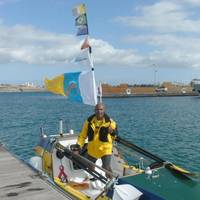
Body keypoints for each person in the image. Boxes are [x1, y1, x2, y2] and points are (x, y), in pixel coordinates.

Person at [76, 103, 117, 178]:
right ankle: (94, 177)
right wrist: (78, 145)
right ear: (94, 111)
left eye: (101, 109)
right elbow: (82, 135)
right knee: (90, 166)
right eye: (97, 109)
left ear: (104, 110)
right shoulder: (88, 122)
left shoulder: (110, 122)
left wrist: (113, 132)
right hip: (93, 148)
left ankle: (112, 181)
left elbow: (115, 135)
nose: (99, 111)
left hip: (105, 149)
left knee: (106, 167)